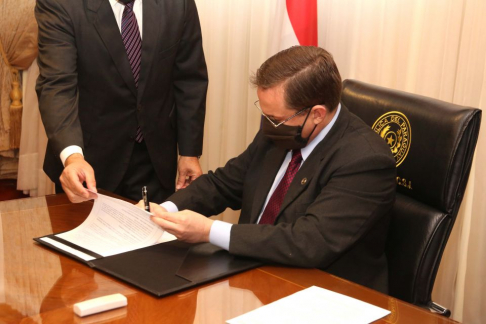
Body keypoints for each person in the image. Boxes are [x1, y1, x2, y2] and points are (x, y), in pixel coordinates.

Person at [143, 46, 396, 292]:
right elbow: (222, 184)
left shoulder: (365, 160)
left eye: (275, 119)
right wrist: (163, 211)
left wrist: (209, 231)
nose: (267, 125)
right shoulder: (283, 131)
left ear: (317, 114)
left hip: (325, 291)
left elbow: (309, 241)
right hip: (254, 275)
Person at [35, 0, 208, 203]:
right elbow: (57, 86)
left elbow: (189, 79)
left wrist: (189, 152)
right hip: (87, 162)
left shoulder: (178, 4)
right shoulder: (60, 4)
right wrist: (73, 157)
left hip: (154, 160)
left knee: (155, 233)